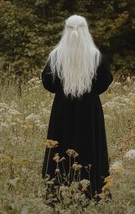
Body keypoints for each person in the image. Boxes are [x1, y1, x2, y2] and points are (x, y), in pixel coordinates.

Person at [41, 15, 113, 199]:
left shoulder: (56, 55)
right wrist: (89, 92)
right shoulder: (95, 56)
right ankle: (92, 192)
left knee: (60, 146)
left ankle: (58, 192)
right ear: (85, 29)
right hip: (89, 110)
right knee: (90, 146)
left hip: (62, 109)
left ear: (66, 29)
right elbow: (105, 82)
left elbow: (48, 83)